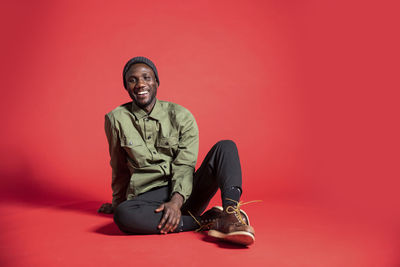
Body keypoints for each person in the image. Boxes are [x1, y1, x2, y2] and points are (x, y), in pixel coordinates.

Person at [98, 56, 256, 246]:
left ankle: (231, 215)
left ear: (156, 81)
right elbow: (119, 168)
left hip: (187, 192)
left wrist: (176, 202)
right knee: (124, 215)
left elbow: (185, 165)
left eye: (146, 77)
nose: (140, 84)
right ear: (126, 86)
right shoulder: (116, 119)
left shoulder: (181, 116)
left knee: (226, 147)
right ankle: (207, 220)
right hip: (149, 199)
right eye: (133, 80)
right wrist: (117, 205)